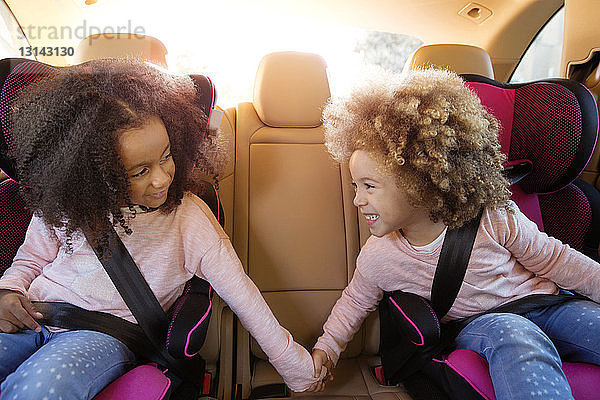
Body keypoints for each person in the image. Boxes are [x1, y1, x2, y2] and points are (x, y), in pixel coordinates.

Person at [0, 59, 322, 399]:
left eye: (166, 156)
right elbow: (30, 259)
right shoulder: (69, 202)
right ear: (96, 173)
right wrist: (8, 292)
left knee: (41, 388)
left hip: (101, 335)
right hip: (32, 315)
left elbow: (245, 299)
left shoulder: (189, 218)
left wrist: (296, 368)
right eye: (140, 171)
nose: (162, 177)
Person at [310, 68, 600, 398]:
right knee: (516, 337)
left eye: (369, 187)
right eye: (355, 186)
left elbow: (554, 258)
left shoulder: (493, 215)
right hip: (486, 324)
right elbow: (352, 305)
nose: (357, 199)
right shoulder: (380, 257)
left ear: (421, 181)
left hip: (545, 304)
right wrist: (326, 351)